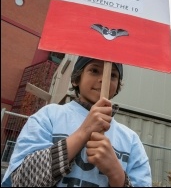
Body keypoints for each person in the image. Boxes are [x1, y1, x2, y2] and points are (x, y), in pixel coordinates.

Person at [1, 56, 152, 187]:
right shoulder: (49, 116)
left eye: (112, 75)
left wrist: (116, 174)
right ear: (75, 79)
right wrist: (83, 132)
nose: (103, 79)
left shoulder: (131, 140)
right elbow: (21, 181)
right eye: (94, 70)